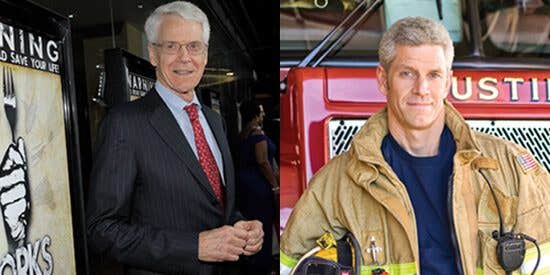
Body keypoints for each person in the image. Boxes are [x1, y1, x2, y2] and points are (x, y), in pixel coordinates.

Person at [280, 16, 550, 275]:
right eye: (407, 74)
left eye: (433, 75)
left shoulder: (513, 171)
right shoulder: (334, 185)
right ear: (383, 80)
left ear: (447, 82)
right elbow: (291, 265)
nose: (422, 89)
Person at [85, 2, 263, 274]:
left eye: (194, 46)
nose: (184, 57)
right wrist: (194, 247)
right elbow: (101, 230)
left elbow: (217, 205)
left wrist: (241, 228)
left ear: (205, 55)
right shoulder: (125, 123)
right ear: (153, 54)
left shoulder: (214, 121)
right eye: (171, 46)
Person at [236, 101, 279, 274]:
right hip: (259, 187)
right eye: (261, 112)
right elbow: (262, 161)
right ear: (255, 115)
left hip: (244, 186)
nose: (264, 115)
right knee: (263, 227)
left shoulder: (242, 134)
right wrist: (275, 186)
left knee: (249, 226)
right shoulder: (258, 134)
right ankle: (262, 265)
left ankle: (251, 263)